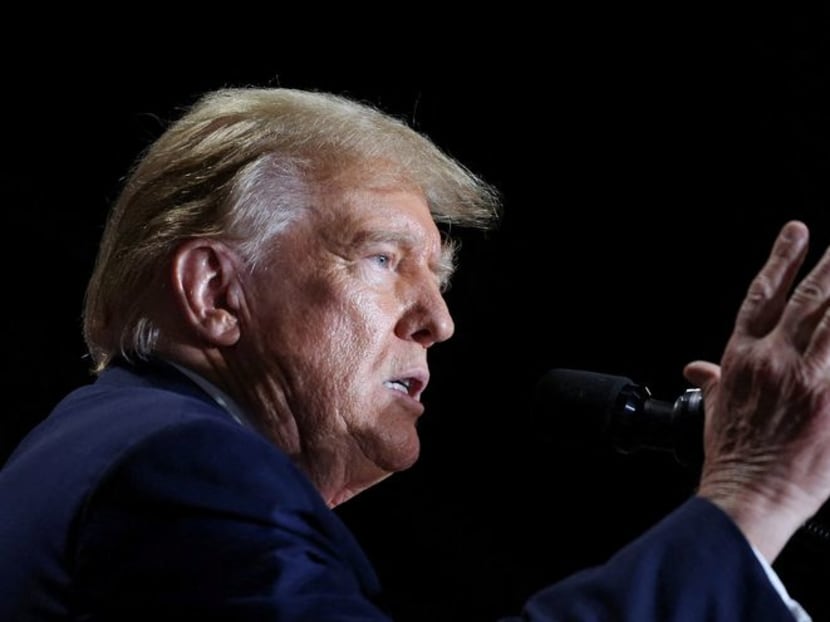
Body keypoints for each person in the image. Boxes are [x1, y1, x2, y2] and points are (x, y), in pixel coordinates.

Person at [0, 86, 826, 621]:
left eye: (440, 278)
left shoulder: (100, 448)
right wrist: (751, 497)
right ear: (216, 294)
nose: (437, 319)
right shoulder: (181, 468)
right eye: (383, 260)